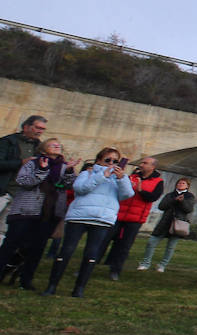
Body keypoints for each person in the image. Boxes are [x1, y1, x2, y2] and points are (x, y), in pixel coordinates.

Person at [42, 147, 134, 298]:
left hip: (102, 219)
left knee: (91, 254)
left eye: (115, 161)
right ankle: (52, 285)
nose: (111, 163)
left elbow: (126, 195)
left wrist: (122, 179)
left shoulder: (119, 178)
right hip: (80, 216)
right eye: (108, 160)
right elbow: (80, 189)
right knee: (67, 250)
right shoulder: (88, 173)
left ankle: (79, 288)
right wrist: (101, 176)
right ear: (99, 160)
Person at [0, 138, 79, 289]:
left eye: (58, 144)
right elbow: (23, 181)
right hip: (26, 210)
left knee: (37, 248)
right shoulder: (33, 163)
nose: (57, 146)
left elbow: (69, 185)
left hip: (49, 213)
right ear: (43, 149)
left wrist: (69, 171)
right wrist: (42, 171)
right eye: (52, 144)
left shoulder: (64, 166)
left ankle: (26, 280)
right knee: (11, 244)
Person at [104, 156, 164, 280]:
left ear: (152, 167)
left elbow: (153, 197)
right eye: (142, 162)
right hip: (118, 214)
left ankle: (115, 270)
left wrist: (141, 191)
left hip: (135, 218)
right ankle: (91, 264)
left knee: (125, 245)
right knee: (103, 240)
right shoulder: (132, 176)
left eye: (145, 163)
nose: (141, 164)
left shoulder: (158, 182)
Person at [0, 114, 48, 235]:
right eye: (37, 127)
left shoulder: (39, 147)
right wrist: (21, 162)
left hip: (19, 194)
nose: (39, 131)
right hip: (3, 190)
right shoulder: (8, 141)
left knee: (3, 230)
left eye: (42, 129)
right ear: (26, 127)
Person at [138, 178, 196, 272]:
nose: (180, 184)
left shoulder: (189, 196)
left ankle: (162, 265)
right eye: (179, 183)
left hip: (178, 224)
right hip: (165, 222)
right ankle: (145, 263)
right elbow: (161, 206)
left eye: (183, 183)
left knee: (171, 247)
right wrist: (174, 200)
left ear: (187, 186)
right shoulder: (170, 195)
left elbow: (189, 209)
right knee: (151, 242)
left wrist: (182, 201)